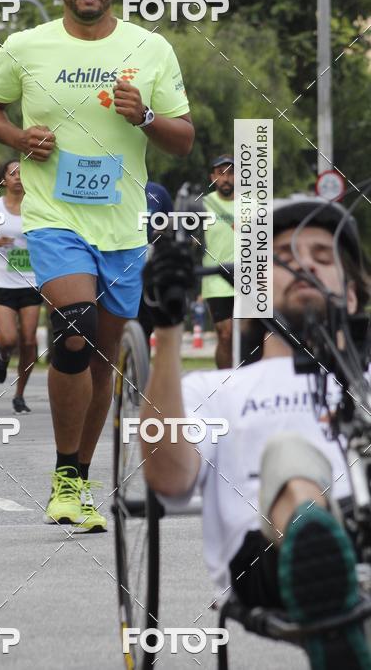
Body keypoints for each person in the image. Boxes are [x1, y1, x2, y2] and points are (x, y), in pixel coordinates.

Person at [0, 0, 194, 531]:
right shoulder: (25, 46)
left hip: (122, 227)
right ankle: (64, 478)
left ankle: (79, 477)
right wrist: (17, 138)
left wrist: (144, 115)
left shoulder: (150, 48)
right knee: (74, 329)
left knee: (102, 361)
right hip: (54, 217)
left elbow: (184, 137)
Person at [141, 196, 371, 669]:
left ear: (350, 294)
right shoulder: (216, 390)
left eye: (323, 258)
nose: (305, 262)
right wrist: (167, 331)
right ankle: (323, 567)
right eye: (285, 257)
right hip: (270, 560)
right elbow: (168, 478)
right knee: (290, 457)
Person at [0, 157, 42, 413]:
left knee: (28, 340)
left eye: (22, 173)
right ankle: (2, 357)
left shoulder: (38, 207)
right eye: (13, 173)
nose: (18, 177)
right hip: (3, 282)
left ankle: (19, 394)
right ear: (4, 180)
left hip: (32, 282)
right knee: (8, 339)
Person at [202, 154, 235, 368]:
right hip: (216, 280)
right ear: (213, 177)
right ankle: (224, 381)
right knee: (226, 335)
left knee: (251, 337)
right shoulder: (202, 206)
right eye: (221, 173)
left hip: (250, 278)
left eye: (231, 173)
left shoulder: (254, 204)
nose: (226, 178)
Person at [137, 180, 174, 344]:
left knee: (146, 323)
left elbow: (172, 226)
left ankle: (140, 367)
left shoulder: (158, 192)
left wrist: (163, 234)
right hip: (120, 262)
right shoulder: (116, 186)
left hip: (150, 266)